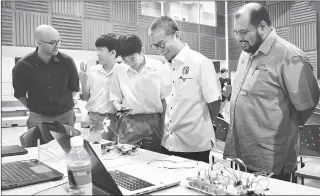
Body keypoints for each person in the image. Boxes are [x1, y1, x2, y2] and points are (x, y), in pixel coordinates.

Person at [223, 3, 320, 181]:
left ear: (263, 27)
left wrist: (281, 130)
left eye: (244, 32)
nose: (238, 38)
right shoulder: (246, 53)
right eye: (236, 33)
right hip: (241, 153)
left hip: (272, 160)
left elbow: (306, 106)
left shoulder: (290, 56)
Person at [149, 16, 222, 163]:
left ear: (176, 35)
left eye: (162, 44)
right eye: (155, 46)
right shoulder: (164, 68)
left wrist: (199, 125)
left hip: (194, 146)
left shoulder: (200, 63)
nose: (159, 50)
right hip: (168, 143)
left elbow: (214, 103)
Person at [109, 34, 171, 152]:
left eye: (132, 58)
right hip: (129, 121)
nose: (129, 63)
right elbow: (115, 96)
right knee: (126, 157)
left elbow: (165, 100)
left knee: (153, 158)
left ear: (142, 51)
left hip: (154, 121)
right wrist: (118, 106)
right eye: (124, 59)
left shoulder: (157, 66)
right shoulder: (119, 69)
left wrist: (162, 127)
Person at [12, 24, 80, 129]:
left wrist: (61, 104)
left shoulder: (67, 61)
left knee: (67, 145)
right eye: (52, 42)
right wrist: (36, 109)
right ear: (39, 43)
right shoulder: (23, 65)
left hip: (65, 116)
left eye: (59, 40)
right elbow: (20, 94)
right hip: (38, 117)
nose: (57, 45)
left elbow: (75, 88)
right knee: (37, 145)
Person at [79, 33, 118, 141]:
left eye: (101, 50)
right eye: (97, 50)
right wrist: (83, 82)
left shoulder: (121, 72)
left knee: (110, 151)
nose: (98, 54)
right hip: (93, 118)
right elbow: (88, 99)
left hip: (112, 120)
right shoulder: (93, 71)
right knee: (94, 149)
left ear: (113, 52)